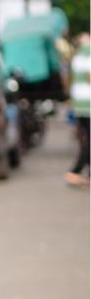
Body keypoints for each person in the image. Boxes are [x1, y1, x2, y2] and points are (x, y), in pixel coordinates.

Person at [65, 32, 90, 186]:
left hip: (79, 102)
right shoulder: (88, 54)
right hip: (88, 101)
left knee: (85, 137)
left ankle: (80, 170)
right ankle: (77, 170)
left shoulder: (77, 56)